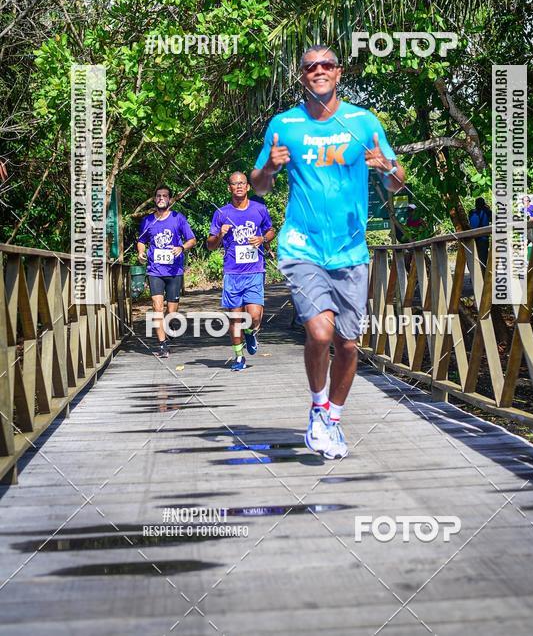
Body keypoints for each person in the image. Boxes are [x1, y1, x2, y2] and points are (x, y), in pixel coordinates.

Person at [251, 44, 405, 460]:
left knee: (348, 344)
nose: (318, 71)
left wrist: (387, 169)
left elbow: (396, 181)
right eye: (310, 67)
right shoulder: (284, 125)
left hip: (351, 250)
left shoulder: (363, 121)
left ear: (339, 73)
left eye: (326, 65)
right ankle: (318, 408)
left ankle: (333, 418)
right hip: (301, 244)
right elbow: (259, 185)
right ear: (301, 76)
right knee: (320, 332)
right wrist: (269, 169)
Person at [207, 172, 275, 371]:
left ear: (247, 187)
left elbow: (271, 230)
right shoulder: (221, 213)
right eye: (234, 183)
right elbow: (210, 245)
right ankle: (239, 357)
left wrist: (263, 238)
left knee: (254, 316)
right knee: (235, 318)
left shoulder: (259, 209)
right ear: (229, 187)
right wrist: (220, 234)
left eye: (242, 183)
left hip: (254, 271)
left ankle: (250, 332)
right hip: (232, 273)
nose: (238, 186)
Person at [137, 185, 197, 358]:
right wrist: (141, 252)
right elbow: (141, 240)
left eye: (165, 196)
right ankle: (163, 344)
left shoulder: (178, 219)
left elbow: (192, 239)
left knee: (171, 311)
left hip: (174, 270)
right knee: (157, 307)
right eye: (158, 196)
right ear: (155, 199)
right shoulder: (148, 221)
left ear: (170, 199)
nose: (161, 198)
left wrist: (182, 247)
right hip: (155, 270)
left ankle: (169, 328)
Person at [469, 197, 492, 268]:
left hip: (473, 238)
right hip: (483, 238)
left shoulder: (471, 212)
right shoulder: (486, 211)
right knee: (483, 259)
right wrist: (488, 208)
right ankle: (482, 276)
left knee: (474, 258)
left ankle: (474, 276)